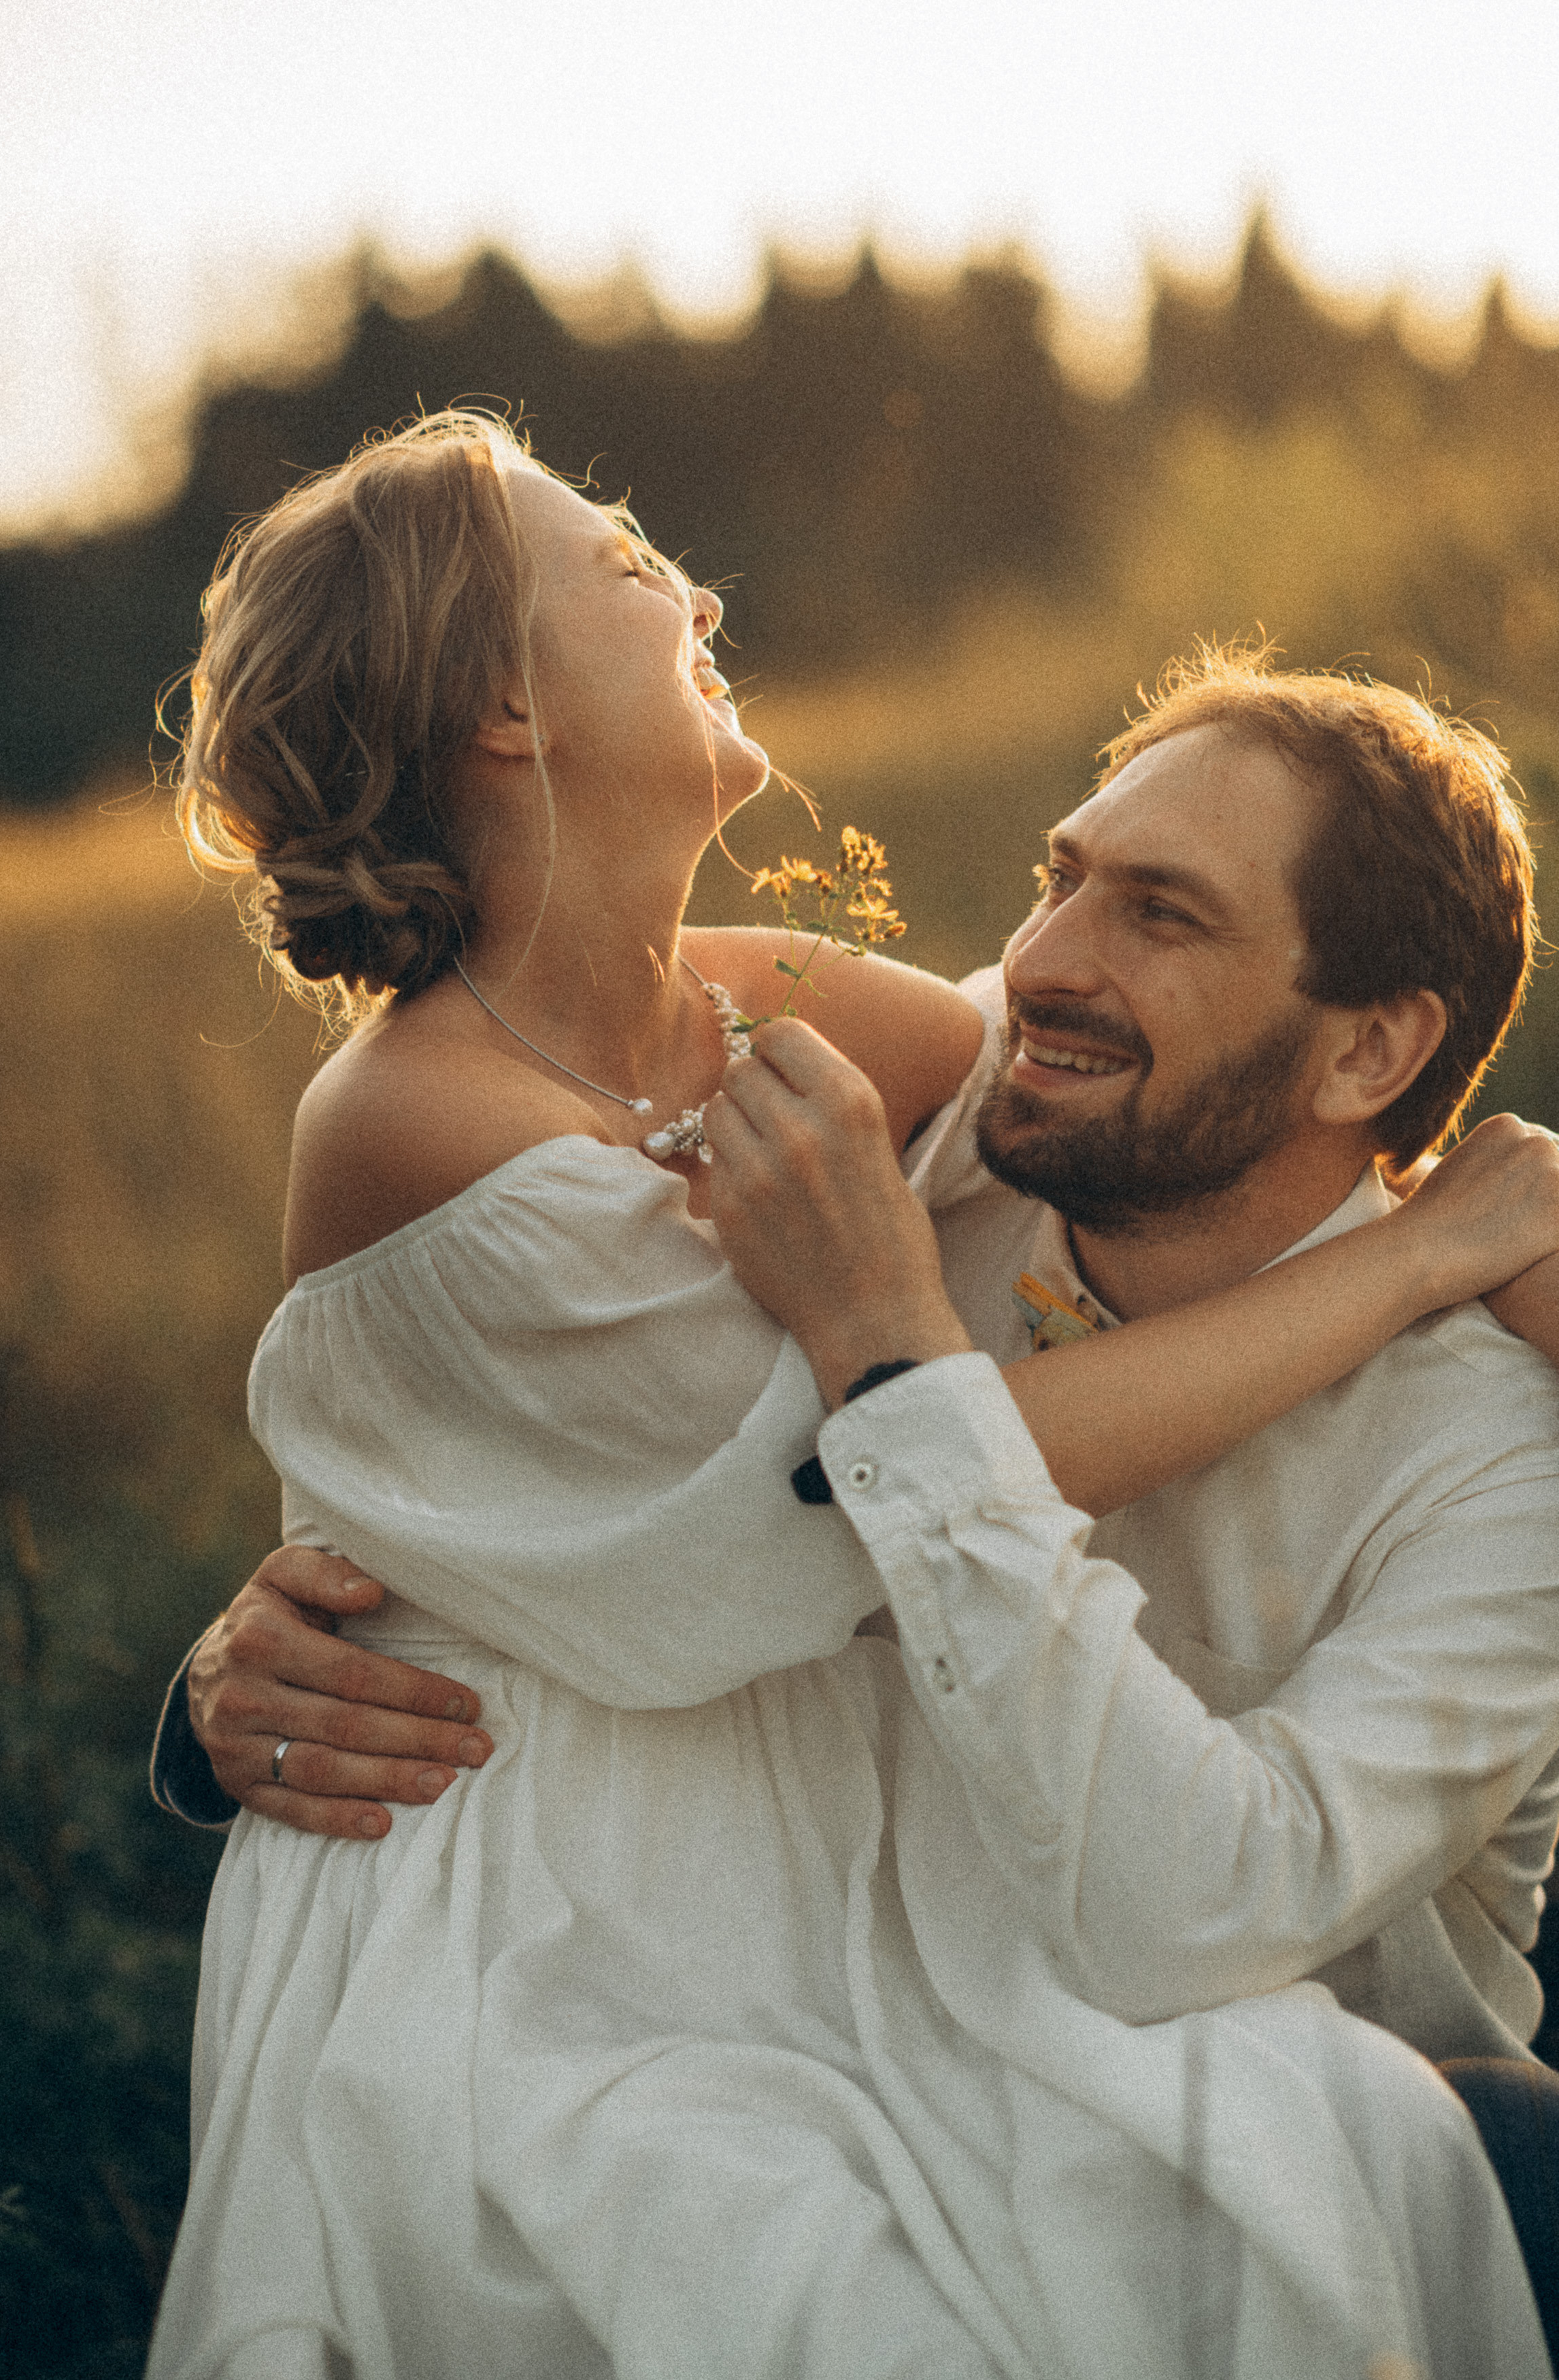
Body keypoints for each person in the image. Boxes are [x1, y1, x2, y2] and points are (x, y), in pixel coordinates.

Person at [146, 411, 1559, 2379]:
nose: (1044, 962)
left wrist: (1462, 1245)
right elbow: (754, 1475)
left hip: (1144, 1981)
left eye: (1159, 910)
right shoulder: (516, 1118)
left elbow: (997, 1169)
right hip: (650, 1929)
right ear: (499, 713)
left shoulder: (1489, 1455)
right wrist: (233, 1670)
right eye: (1064, 884)